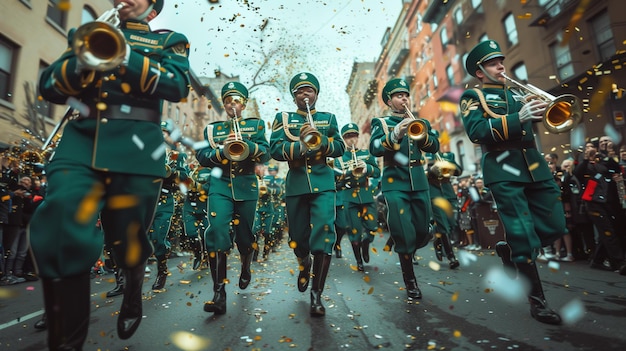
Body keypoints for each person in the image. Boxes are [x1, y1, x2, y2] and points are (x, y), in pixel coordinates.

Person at [30, 0, 191, 347]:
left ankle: (133, 288)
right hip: (82, 142)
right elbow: (49, 86)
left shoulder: (168, 40)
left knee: (129, 241)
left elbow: (177, 86)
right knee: (60, 226)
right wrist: (83, 58)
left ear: (152, 8)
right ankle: (67, 342)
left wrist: (125, 57)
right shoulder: (85, 35)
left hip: (136, 146)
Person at [460, 40, 567, 324]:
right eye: (494, 63)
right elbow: (476, 131)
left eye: (501, 61)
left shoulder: (518, 94)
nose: (501, 66)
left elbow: (536, 123)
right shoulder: (474, 96)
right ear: (480, 71)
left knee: (556, 224)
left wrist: (542, 111)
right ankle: (538, 301)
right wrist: (517, 118)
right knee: (523, 234)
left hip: (534, 167)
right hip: (502, 170)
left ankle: (512, 250)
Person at [269, 72, 345, 316]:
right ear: (294, 97)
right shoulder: (284, 118)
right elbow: (275, 150)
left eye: (309, 90)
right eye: (300, 91)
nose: (305, 94)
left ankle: (316, 295)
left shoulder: (328, 118)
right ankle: (304, 263)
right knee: (298, 239)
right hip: (297, 183)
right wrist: (301, 146)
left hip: (324, 182)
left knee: (324, 234)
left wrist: (321, 142)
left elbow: (340, 147)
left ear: (316, 95)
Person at [196, 81, 270, 315]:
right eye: (227, 101)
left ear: (244, 104)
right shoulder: (212, 129)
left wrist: (246, 145)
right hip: (220, 186)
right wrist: (220, 151)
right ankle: (219, 293)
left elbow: (266, 152)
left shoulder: (256, 125)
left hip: (246, 186)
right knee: (216, 231)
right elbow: (201, 155)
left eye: (236, 100)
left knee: (245, 237)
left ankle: (246, 265)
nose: (231, 104)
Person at [369, 77, 439, 300]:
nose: (404, 99)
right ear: (389, 101)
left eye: (406, 95)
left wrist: (424, 132)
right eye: (399, 96)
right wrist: (395, 134)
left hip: (418, 180)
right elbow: (375, 148)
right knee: (403, 231)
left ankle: (411, 243)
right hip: (394, 182)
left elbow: (434, 146)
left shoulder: (421, 121)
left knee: (421, 230)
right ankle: (410, 281)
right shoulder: (380, 122)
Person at [574, 136, 626, 274]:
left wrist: (610, 154)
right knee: (608, 232)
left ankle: (597, 260)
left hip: (608, 201)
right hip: (593, 202)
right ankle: (620, 263)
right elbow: (577, 174)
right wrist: (586, 158)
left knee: (610, 231)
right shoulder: (585, 162)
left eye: (607, 141)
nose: (604, 143)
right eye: (602, 142)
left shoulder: (605, 159)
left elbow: (615, 169)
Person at [335, 123, 381, 271]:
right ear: (343, 139)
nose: (352, 139)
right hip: (349, 196)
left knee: (372, 228)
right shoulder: (339, 159)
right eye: (348, 137)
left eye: (354, 135)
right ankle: (359, 260)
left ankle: (366, 244)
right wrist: (348, 172)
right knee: (354, 231)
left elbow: (377, 172)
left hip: (366, 194)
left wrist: (367, 168)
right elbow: (336, 181)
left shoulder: (366, 154)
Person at [148, 128, 189, 292]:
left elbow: (185, 177)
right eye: (161, 132)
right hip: (145, 198)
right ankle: (123, 281)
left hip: (164, 200)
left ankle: (161, 270)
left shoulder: (178, 156)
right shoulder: (149, 149)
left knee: (158, 237)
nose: (163, 135)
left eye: (166, 133)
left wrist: (171, 172)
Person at [427, 152, 461, 269]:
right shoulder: (427, 157)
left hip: (448, 193)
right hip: (435, 194)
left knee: (452, 223)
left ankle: (438, 241)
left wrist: (448, 165)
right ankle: (451, 257)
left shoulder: (447, 155)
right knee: (443, 225)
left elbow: (459, 171)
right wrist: (432, 168)